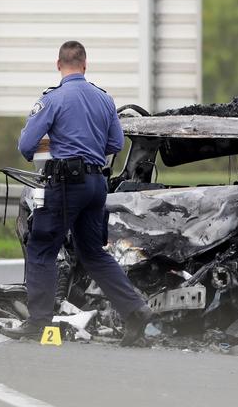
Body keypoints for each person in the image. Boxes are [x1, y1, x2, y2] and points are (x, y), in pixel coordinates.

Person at [18, 41, 153, 347]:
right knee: (93, 252)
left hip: (66, 184)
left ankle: (37, 323)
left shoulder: (53, 99)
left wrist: (57, 145)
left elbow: (26, 146)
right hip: (96, 185)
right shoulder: (104, 99)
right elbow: (115, 144)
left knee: (41, 247)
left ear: (58, 64)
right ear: (85, 64)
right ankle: (135, 310)